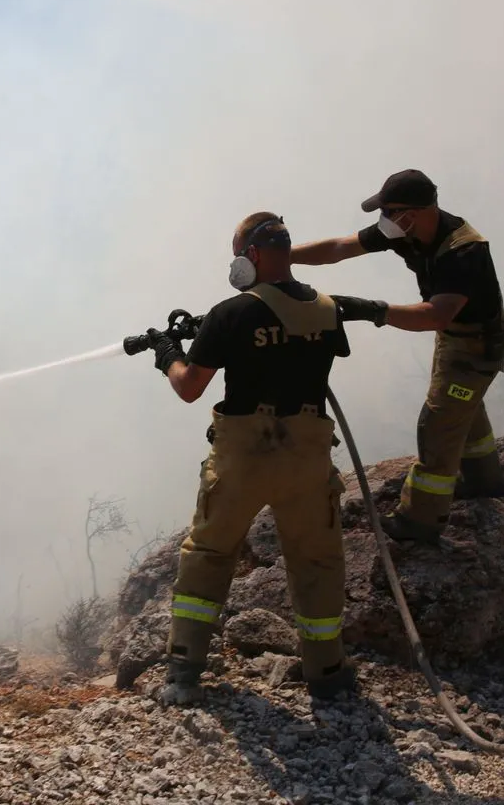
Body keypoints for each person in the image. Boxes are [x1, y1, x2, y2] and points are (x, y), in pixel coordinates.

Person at [144, 210, 386, 706]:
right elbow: (295, 341)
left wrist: (168, 352)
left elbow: (191, 386)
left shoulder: (230, 313)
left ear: (251, 256)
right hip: (307, 461)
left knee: (209, 556)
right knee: (317, 562)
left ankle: (183, 674)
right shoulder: (325, 308)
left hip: (244, 461)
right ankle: (328, 674)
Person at [288, 169, 504, 544]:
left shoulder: (463, 251)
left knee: (438, 423)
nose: (385, 220)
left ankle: (420, 522)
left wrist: (374, 310)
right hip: (455, 337)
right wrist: (283, 258)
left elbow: (435, 315)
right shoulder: (406, 231)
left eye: (392, 211)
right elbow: (341, 248)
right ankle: (485, 482)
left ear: (418, 211)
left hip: (477, 345)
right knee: (462, 405)